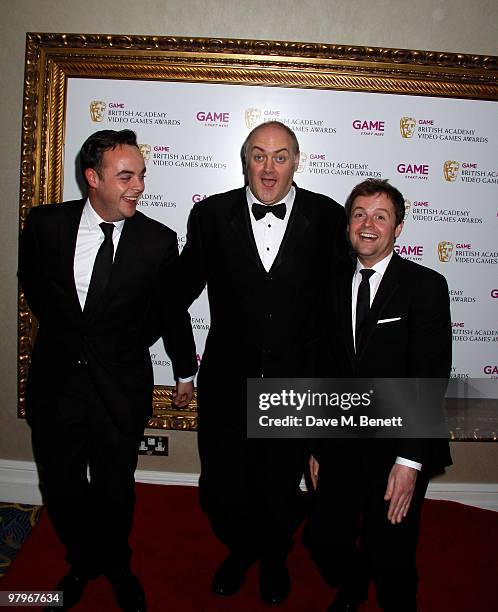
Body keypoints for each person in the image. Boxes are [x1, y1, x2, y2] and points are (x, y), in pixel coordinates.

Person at [18, 129, 197, 612]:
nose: (138, 185)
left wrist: (185, 372)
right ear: (92, 177)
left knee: (117, 490)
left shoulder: (157, 240)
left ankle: (117, 564)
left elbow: (171, 311)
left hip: (120, 387)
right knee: (59, 487)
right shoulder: (44, 225)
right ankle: (82, 559)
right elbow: (36, 291)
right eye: (125, 176)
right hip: (57, 386)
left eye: (141, 175)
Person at [179, 120, 349, 605]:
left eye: (280, 156)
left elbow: (341, 310)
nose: (269, 168)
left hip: (295, 386)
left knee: (278, 489)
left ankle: (273, 557)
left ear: (297, 161)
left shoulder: (328, 216)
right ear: (244, 161)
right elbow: (176, 293)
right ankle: (241, 549)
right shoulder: (211, 215)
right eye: (259, 155)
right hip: (228, 382)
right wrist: (180, 364)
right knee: (222, 489)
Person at [304, 178, 452, 612]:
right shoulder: (330, 285)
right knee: (324, 539)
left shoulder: (425, 286)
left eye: (380, 216)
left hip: (399, 445)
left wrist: (409, 462)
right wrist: (315, 443)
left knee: (392, 552)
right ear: (348, 223)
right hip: (342, 441)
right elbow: (323, 371)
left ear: (398, 228)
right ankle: (352, 586)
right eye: (359, 215)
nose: (368, 225)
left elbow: (430, 377)